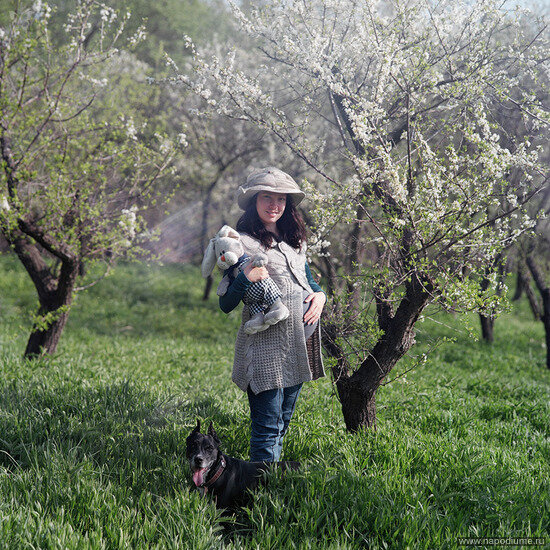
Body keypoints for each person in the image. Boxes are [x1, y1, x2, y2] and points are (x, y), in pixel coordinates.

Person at [218, 167, 326, 463]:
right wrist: (246, 278)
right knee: (267, 428)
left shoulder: (295, 240)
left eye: (281, 199)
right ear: (254, 200)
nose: (274, 205)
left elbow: (307, 280)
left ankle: (270, 481)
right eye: (267, 197)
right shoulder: (239, 243)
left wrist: (321, 295)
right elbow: (226, 304)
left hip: (299, 345)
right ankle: (260, 486)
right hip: (265, 349)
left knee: (283, 422)